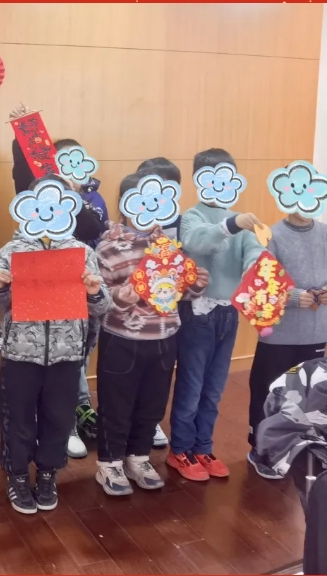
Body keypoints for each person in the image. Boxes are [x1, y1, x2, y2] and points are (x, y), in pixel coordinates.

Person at [0, 174, 112, 514]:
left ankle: (47, 474)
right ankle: (16, 475)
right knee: (18, 418)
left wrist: (94, 291)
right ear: (27, 207)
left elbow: (103, 306)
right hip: (20, 353)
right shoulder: (12, 250)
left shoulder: (82, 252)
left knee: (58, 418)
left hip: (66, 354)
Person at [94, 173, 208, 496]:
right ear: (125, 204)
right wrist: (119, 298)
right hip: (122, 340)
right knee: (116, 405)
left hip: (164, 337)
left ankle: (138, 457)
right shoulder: (108, 248)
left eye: (158, 201)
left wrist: (196, 286)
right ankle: (109, 463)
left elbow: (179, 292)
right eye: (142, 201)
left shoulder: (169, 247)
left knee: (152, 404)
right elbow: (97, 298)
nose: (151, 208)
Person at [8, 103, 105, 460]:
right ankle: (46, 425)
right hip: (36, 291)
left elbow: (94, 227)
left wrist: (74, 195)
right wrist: (22, 131)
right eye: (58, 163)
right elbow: (22, 174)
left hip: (75, 291)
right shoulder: (34, 196)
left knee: (74, 358)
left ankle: (71, 422)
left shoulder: (86, 198)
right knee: (37, 362)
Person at [168, 148, 264, 481]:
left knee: (214, 387)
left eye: (227, 177)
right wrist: (230, 225)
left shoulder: (241, 219)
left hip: (227, 314)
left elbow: (254, 250)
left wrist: (255, 264)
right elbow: (199, 243)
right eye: (213, 177)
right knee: (192, 385)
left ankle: (203, 447)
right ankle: (180, 449)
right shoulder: (192, 216)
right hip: (197, 312)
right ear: (200, 180)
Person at [247, 200, 327, 479]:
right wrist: (293, 297)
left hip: (316, 332)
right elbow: (259, 284)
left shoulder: (325, 233)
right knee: (269, 392)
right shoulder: (273, 236)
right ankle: (261, 450)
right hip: (278, 335)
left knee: (306, 394)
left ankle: (296, 447)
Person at [134, 156, 184, 449]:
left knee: (159, 377)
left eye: (168, 189)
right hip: (133, 314)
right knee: (130, 377)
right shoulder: (130, 222)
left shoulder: (181, 222)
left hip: (168, 313)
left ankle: (151, 423)